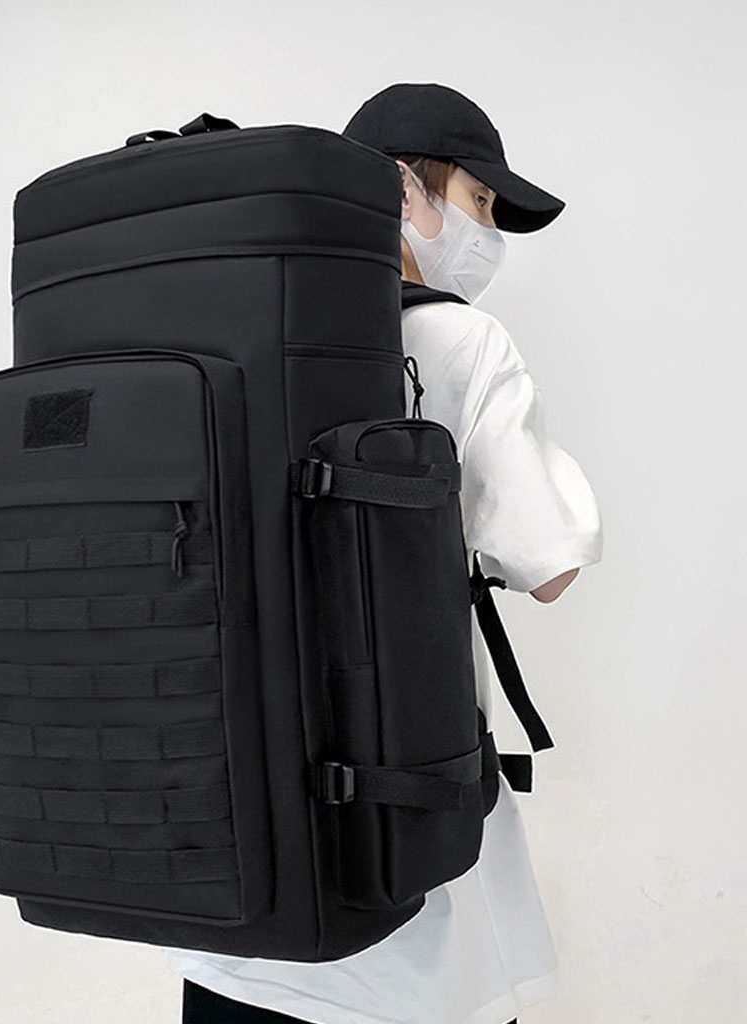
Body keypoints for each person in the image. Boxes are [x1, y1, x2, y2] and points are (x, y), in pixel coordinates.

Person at [163, 83, 603, 1024]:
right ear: (404, 187)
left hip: (227, 891)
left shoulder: (215, 337)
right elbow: (551, 565)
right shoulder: (461, 341)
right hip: (399, 903)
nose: (490, 236)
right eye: (481, 202)